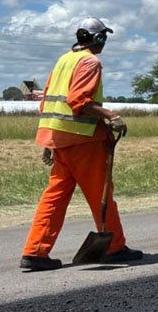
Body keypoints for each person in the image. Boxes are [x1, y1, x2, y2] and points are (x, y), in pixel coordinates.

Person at [20, 17, 142, 271]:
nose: (105, 43)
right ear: (97, 38)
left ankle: (35, 252)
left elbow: (49, 103)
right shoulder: (90, 62)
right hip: (83, 141)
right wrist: (112, 116)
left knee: (54, 196)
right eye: (104, 38)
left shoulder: (64, 60)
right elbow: (79, 102)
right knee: (101, 196)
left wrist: (51, 141)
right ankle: (114, 247)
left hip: (61, 140)